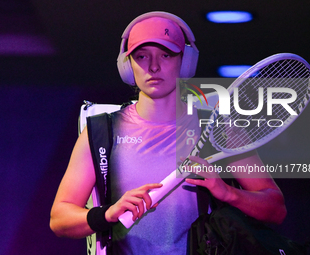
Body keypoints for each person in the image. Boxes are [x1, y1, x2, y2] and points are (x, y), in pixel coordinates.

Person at [50, 11, 287, 254]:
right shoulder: (102, 131)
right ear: (127, 66)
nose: (153, 66)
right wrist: (107, 213)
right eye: (141, 56)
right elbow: (59, 219)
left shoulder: (220, 128)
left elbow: (275, 209)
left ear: (186, 62)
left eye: (166, 54)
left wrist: (227, 193)